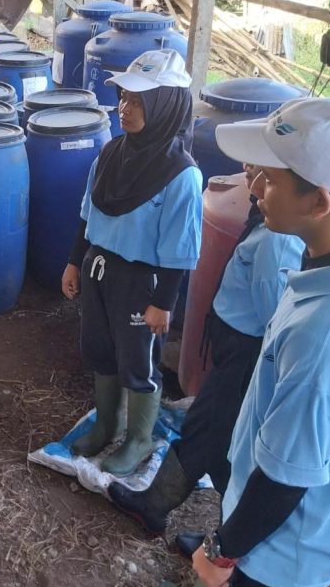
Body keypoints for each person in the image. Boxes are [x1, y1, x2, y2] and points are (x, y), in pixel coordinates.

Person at [186, 97, 330, 587]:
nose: (253, 187)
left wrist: (221, 550)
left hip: (277, 555)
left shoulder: (328, 338)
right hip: (307, 521)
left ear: (319, 203)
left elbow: (283, 482)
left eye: (269, 179)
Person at [107, 163, 305, 552]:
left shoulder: (276, 240)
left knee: (209, 434)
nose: (248, 171)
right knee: (219, 439)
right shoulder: (263, 220)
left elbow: (271, 314)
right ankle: (219, 532)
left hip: (246, 355)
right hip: (235, 350)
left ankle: (171, 515)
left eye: (260, 169)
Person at [61, 48, 202, 477]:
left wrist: (163, 303)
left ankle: (139, 438)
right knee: (101, 350)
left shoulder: (181, 174)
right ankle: (107, 424)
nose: (125, 108)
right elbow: (88, 214)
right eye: (124, 97)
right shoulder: (110, 153)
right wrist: (74, 262)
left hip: (142, 282)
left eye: (138, 101)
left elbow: (180, 248)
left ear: (165, 106)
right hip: (100, 267)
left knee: (139, 360)